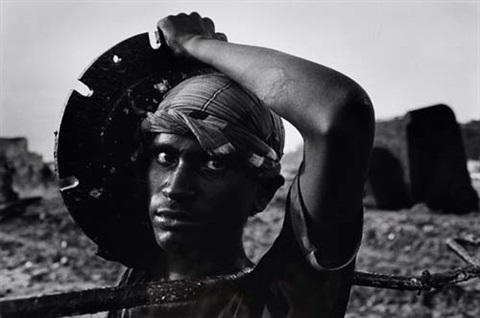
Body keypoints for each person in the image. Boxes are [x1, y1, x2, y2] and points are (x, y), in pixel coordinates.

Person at [109, 12, 374, 318]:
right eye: (166, 158)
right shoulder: (136, 289)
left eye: (214, 164)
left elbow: (341, 114)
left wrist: (197, 44)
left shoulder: (278, 298)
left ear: (262, 193)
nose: (176, 188)